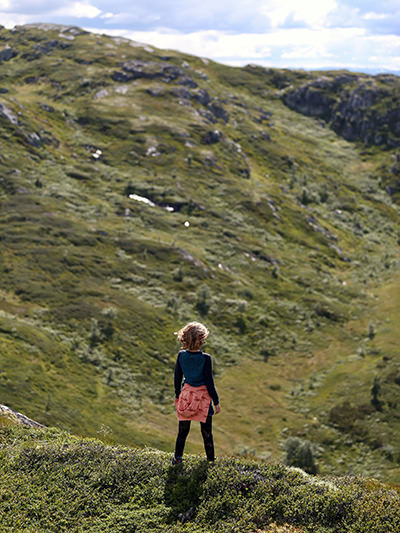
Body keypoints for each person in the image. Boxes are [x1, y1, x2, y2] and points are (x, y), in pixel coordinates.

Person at [173, 321, 221, 464]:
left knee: (183, 431)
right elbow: (209, 382)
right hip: (203, 398)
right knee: (206, 432)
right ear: (202, 340)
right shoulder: (205, 358)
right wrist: (216, 401)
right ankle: (211, 461)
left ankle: (177, 458)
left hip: (186, 396)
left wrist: (178, 396)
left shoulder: (181, 356)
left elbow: (177, 378)